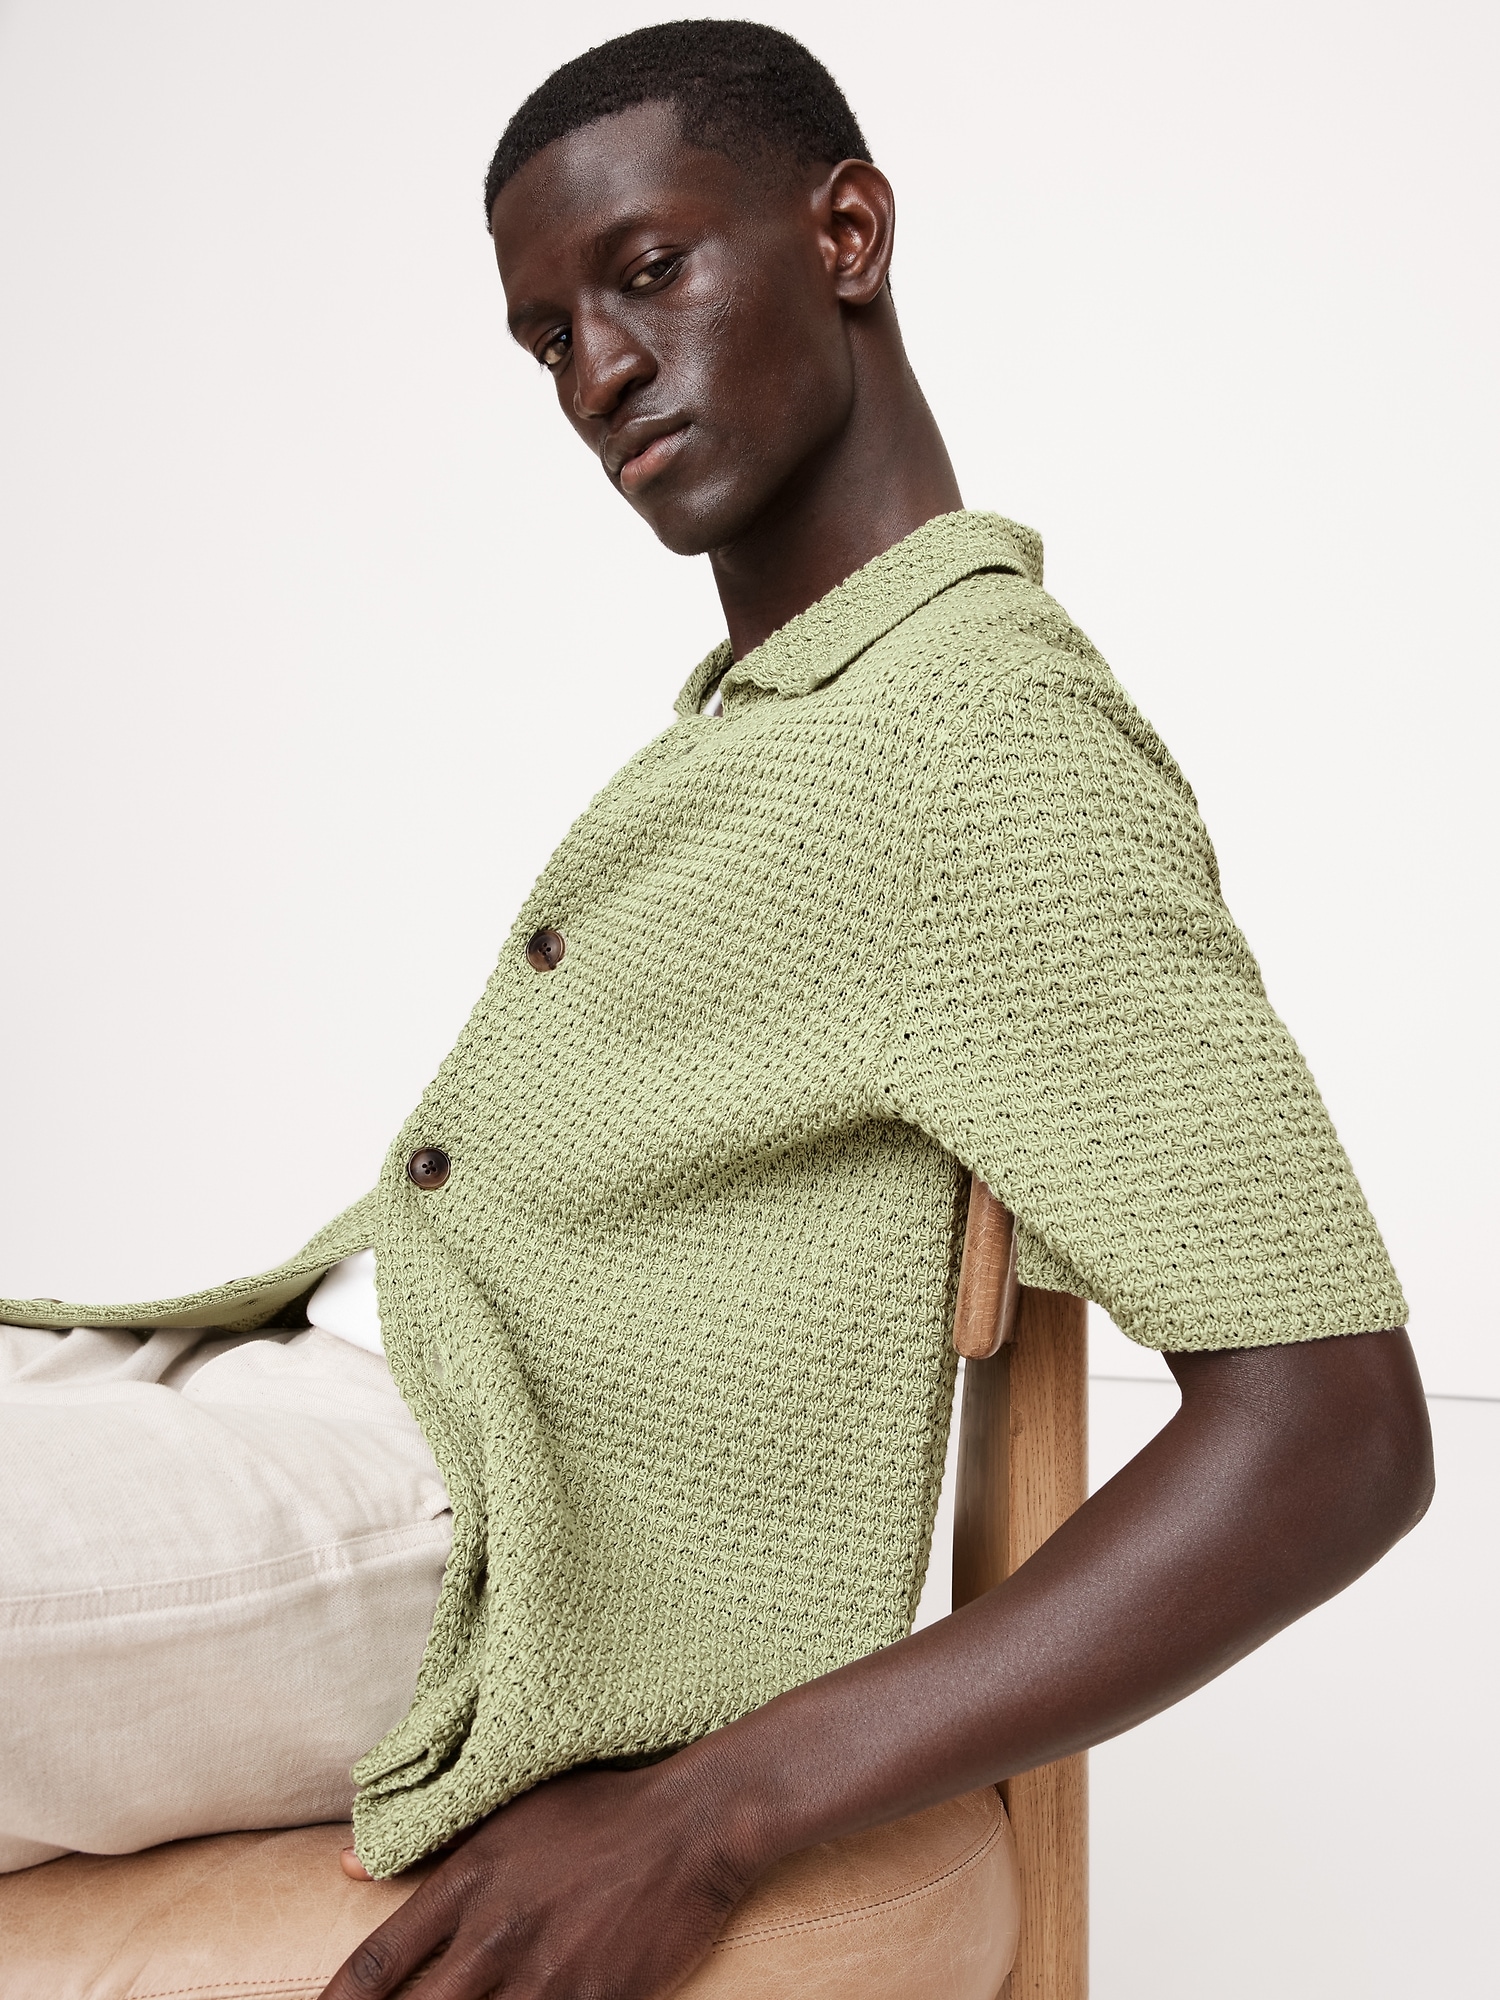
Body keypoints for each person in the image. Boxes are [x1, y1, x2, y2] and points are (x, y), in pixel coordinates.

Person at [0, 21, 1432, 2000]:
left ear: (846, 233)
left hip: (469, 1529)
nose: (595, 372)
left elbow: (1337, 1430)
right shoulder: (790, 711)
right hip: (262, 1380)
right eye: (546, 338)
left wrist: (717, 1810)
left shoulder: (982, 737)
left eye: (647, 271)